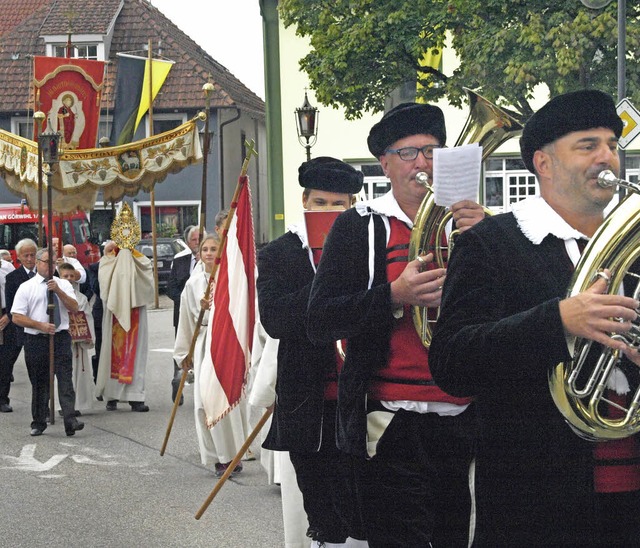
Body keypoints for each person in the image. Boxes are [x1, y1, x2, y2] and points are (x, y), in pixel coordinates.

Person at [429, 89, 640, 546]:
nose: (608, 157)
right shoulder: (491, 243)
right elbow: (452, 362)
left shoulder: (635, 248)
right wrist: (558, 321)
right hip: (536, 504)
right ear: (543, 164)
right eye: (588, 145)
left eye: (612, 145)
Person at [307, 104, 485, 547]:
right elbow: (319, 318)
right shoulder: (359, 225)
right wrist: (394, 296)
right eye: (408, 153)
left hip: (459, 413)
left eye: (430, 152)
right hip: (389, 415)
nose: (422, 164)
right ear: (384, 164)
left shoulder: (473, 225)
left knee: (452, 536)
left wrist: (491, 243)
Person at [257, 156, 367, 546]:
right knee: (322, 511)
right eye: (320, 203)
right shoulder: (278, 254)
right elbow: (275, 320)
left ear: (351, 207)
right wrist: (327, 281)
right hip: (309, 403)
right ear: (304, 202)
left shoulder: (369, 247)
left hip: (363, 400)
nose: (328, 211)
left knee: (366, 511)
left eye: (338, 204)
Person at [173, 232, 249, 477]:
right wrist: (184, 353)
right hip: (204, 343)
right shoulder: (192, 284)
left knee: (227, 399)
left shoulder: (230, 280)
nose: (208, 253)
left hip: (224, 344)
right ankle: (217, 456)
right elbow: (185, 319)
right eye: (205, 249)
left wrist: (215, 307)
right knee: (203, 403)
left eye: (213, 249)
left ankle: (234, 454)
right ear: (199, 254)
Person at [11, 247, 84, 437]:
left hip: (60, 337)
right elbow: (17, 317)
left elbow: (74, 307)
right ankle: (38, 421)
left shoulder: (63, 284)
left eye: (53, 263)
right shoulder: (27, 287)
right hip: (36, 338)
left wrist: (58, 290)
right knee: (40, 381)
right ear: (37, 263)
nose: (50, 266)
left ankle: (70, 419)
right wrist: (39, 325)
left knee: (65, 379)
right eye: (46, 262)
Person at [95, 210, 155, 412]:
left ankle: (135, 396)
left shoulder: (141, 260)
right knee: (112, 352)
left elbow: (147, 284)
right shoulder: (108, 259)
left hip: (136, 311)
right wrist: (108, 256)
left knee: (135, 353)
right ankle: (111, 395)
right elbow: (104, 284)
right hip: (114, 314)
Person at [1, 239, 38, 414]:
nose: (30, 259)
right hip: (16, 325)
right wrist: (9, 317)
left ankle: (42, 404)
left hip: (39, 326)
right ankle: (2, 398)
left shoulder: (46, 274)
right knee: (6, 362)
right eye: (26, 255)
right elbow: (10, 303)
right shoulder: (13, 277)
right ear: (19, 257)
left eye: (33, 255)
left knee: (38, 366)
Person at [167, 225, 200, 404]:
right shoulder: (180, 260)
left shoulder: (210, 257)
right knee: (182, 349)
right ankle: (178, 382)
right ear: (188, 242)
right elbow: (171, 288)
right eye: (194, 240)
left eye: (199, 239)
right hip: (182, 314)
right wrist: (186, 302)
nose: (197, 243)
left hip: (204, 316)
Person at [58, 261, 96, 414]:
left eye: (71, 276)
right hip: (62, 341)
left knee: (78, 373)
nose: (68, 278)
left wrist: (88, 336)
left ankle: (78, 404)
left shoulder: (81, 298)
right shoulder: (55, 294)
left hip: (78, 344)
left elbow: (88, 317)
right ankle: (62, 405)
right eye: (65, 276)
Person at [0, 254, 16, 412]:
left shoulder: (7, 267)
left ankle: (2, 398)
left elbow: (15, 293)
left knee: (5, 360)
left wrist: (9, 315)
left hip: (5, 314)